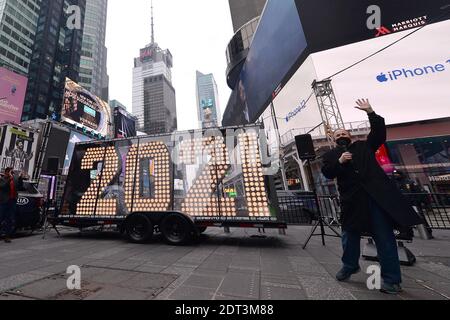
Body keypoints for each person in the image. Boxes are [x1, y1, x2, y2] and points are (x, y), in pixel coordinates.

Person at [321, 99, 423, 294]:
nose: (341, 135)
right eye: (338, 134)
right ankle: (349, 265)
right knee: (349, 236)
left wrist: (370, 113)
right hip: (352, 202)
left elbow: (379, 134)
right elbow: (328, 173)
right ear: (334, 140)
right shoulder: (331, 155)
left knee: (384, 238)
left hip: (375, 199)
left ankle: (391, 280)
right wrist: (340, 162)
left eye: (344, 133)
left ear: (349, 136)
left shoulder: (363, 147)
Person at [0, 168, 25, 243]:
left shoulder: (14, 179)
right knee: (0, 218)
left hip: (12, 201)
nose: (12, 174)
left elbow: (20, 187)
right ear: (6, 172)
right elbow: (3, 186)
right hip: (3, 202)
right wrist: (10, 179)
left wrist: (20, 178)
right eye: (11, 172)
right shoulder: (2, 179)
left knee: (10, 219)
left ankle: (7, 236)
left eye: (13, 172)